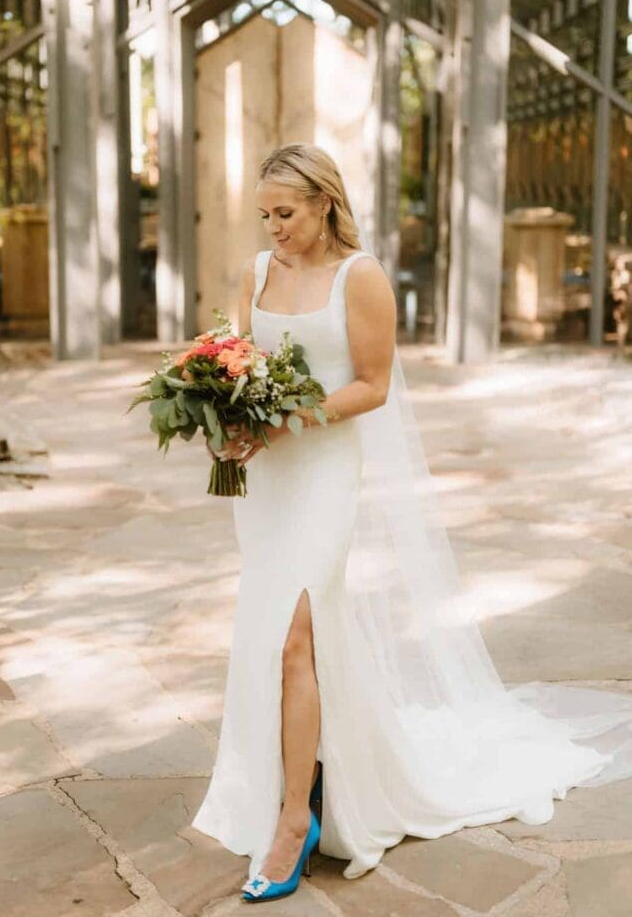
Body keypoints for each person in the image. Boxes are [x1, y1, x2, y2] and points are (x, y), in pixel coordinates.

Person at [190, 143, 632, 904]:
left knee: (294, 636)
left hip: (323, 474)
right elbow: (234, 363)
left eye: (285, 213)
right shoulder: (256, 274)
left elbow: (372, 385)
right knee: (279, 640)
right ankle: (319, 770)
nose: (274, 229)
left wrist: (287, 420)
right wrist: (223, 419)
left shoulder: (359, 277)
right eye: (264, 216)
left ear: (324, 202)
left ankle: (293, 822)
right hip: (265, 484)